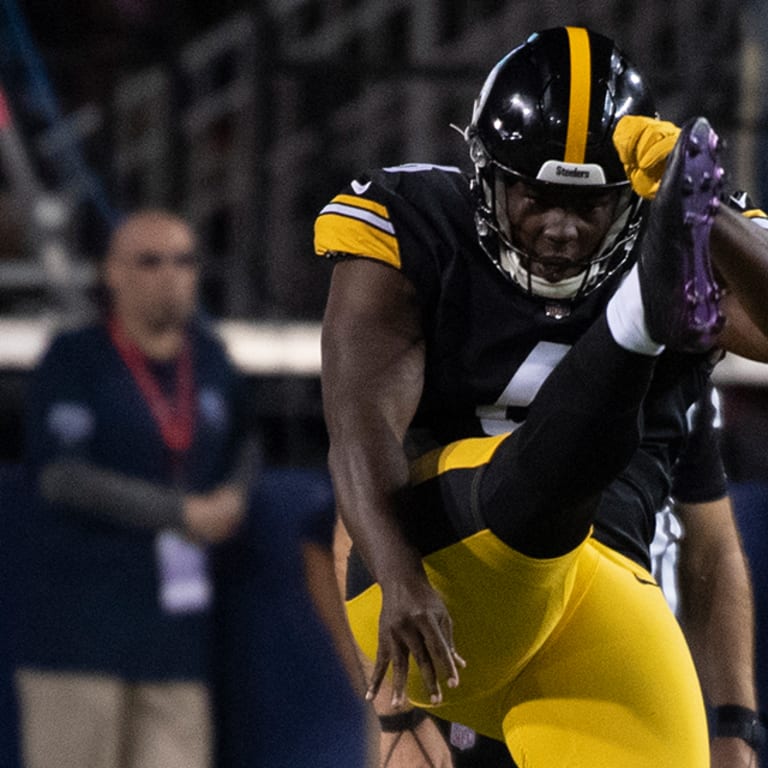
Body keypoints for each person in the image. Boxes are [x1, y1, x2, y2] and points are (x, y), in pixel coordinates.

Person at [314, 26, 768, 767]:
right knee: (535, 492)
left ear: (634, 199)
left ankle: (635, 329)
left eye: (590, 207)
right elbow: (359, 427)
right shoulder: (415, 225)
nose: (561, 228)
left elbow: (711, 544)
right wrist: (398, 581)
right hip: (442, 585)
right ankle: (633, 330)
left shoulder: (691, 231)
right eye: (538, 196)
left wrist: (705, 210)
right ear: (488, 175)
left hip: (604, 600)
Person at [15, 209, 252, 768]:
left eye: (184, 260)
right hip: (78, 641)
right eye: (149, 261)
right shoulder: (76, 359)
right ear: (111, 274)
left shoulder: (212, 361)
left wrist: (235, 497)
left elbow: (247, 444)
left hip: (177, 645)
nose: (170, 274)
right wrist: (179, 514)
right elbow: (61, 476)